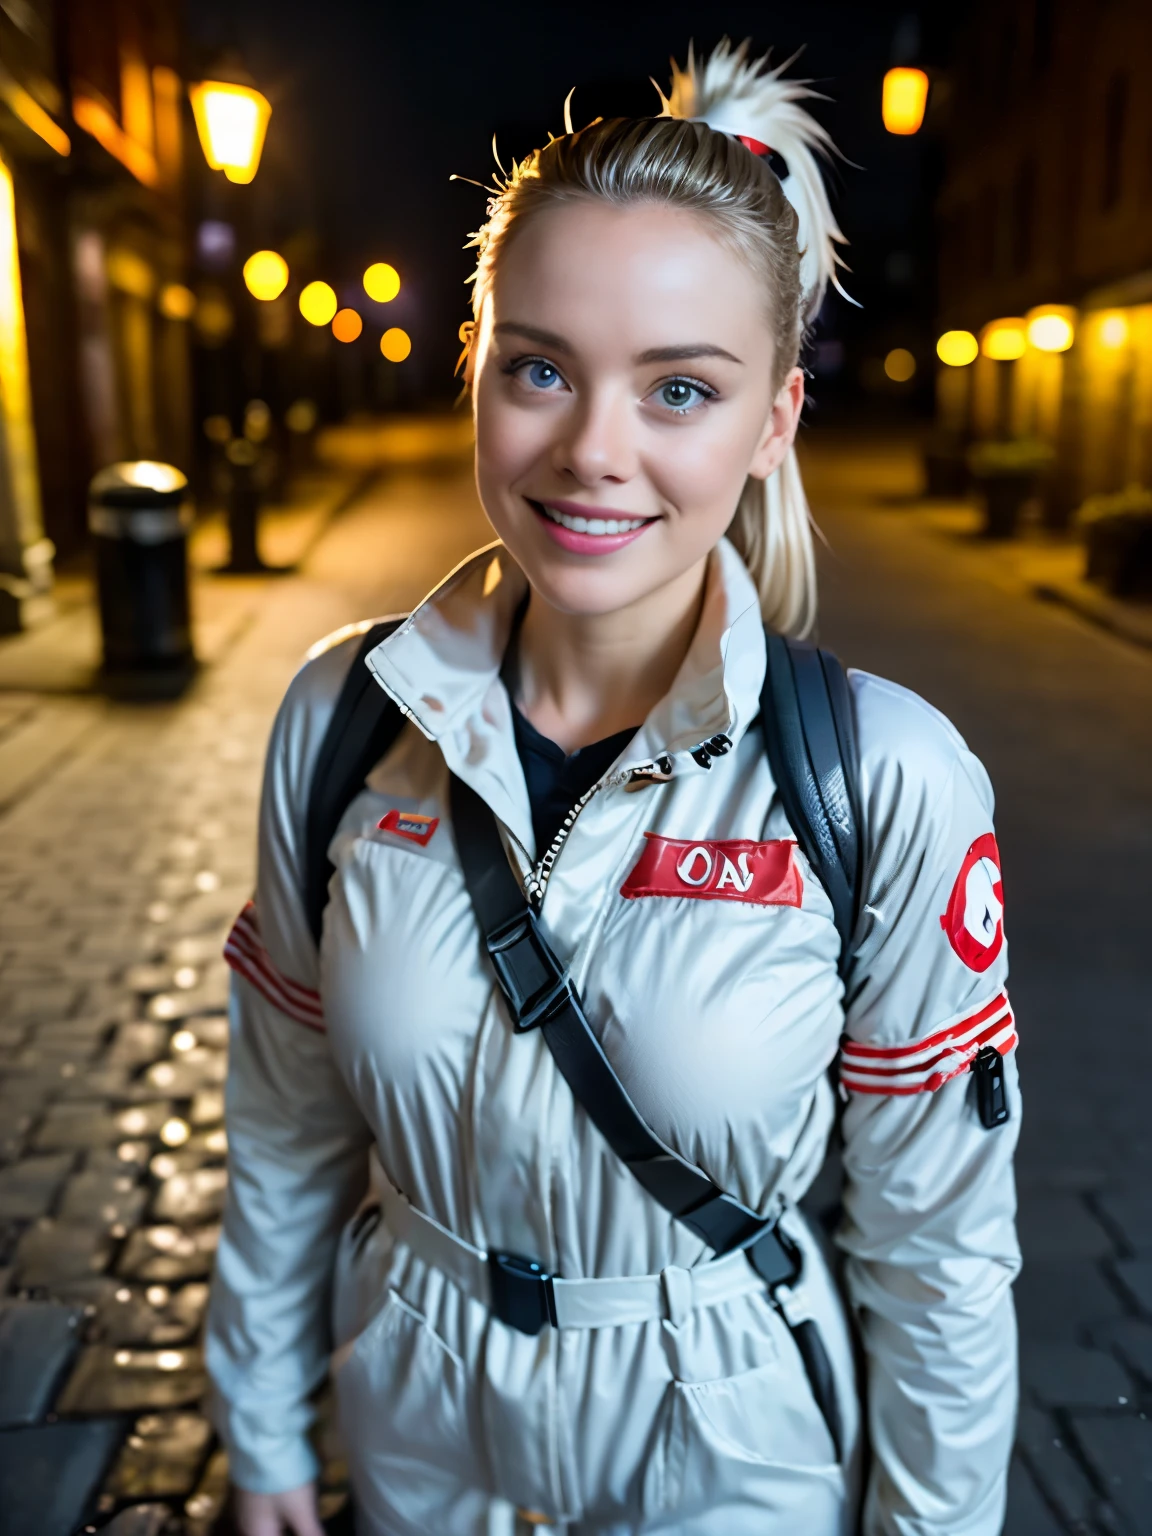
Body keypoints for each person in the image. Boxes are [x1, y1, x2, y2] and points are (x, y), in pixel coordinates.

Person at [207, 39, 1021, 1536]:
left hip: (725, 1433)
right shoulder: (339, 718)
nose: (593, 453)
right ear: (477, 365)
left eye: (680, 390)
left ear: (773, 420)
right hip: (416, 1408)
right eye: (540, 368)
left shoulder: (883, 777)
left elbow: (940, 1248)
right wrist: (260, 1423)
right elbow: (285, 1119)